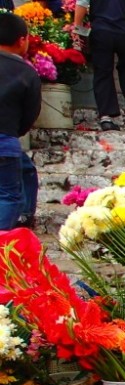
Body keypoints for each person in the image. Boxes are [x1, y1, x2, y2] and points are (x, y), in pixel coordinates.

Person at [72, 0, 125, 132]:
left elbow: (82, 3)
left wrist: (77, 29)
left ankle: (106, 117)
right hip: (124, 33)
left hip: (101, 32)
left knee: (103, 72)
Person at [0, 13, 40, 233]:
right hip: (5, 142)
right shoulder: (26, 72)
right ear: (21, 40)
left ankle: (25, 217)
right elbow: (30, 114)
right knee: (8, 196)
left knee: (25, 170)